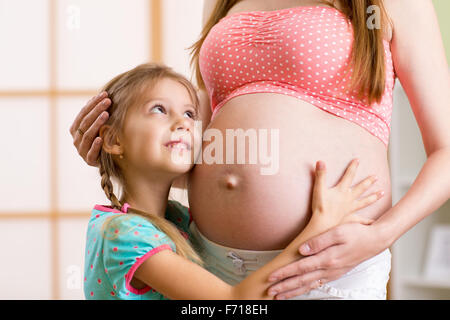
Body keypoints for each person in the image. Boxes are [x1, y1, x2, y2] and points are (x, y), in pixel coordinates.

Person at [72, 0, 450, 300]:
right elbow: (197, 142)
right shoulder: (222, 2)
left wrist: (381, 236)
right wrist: (119, 152)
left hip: (327, 260)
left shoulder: (384, 5)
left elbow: (446, 151)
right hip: (208, 259)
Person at [83, 62, 382, 299]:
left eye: (189, 113)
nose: (183, 123)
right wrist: (320, 224)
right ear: (113, 139)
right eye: (159, 109)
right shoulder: (122, 235)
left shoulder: (173, 218)